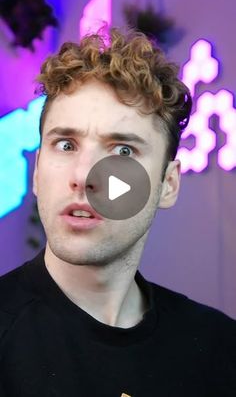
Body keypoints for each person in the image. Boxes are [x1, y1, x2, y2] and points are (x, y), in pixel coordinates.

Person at [0, 27, 235, 397]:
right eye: (65, 144)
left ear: (168, 184)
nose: (84, 176)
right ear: (37, 168)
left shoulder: (220, 350)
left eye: (123, 151)